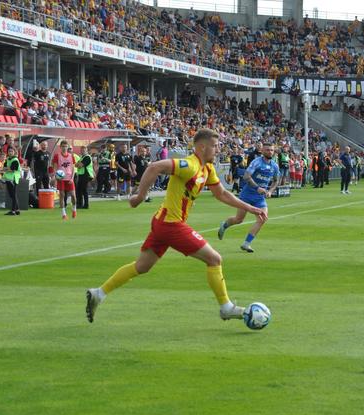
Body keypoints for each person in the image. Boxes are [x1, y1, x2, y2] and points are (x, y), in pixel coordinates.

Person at [85, 129, 267, 323]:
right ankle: (226, 307)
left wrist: (250, 208)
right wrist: (140, 195)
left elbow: (222, 194)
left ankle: (99, 293)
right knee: (214, 259)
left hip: (162, 223)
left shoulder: (207, 169)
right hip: (171, 225)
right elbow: (155, 167)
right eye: (214, 146)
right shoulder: (189, 165)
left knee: (142, 266)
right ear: (202, 147)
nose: (218, 149)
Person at [217, 143, 279, 252]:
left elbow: (276, 180)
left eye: (272, 150)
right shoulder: (257, 162)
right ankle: (225, 224)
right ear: (262, 151)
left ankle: (246, 244)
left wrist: (270, 191)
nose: (270, 152)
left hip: (259, 198)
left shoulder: (274, 165)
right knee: (239, 219)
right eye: (267, 150)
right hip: (247, 195)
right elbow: (246, 176)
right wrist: (257, 188)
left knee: (263, 218)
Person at [52, 140, 77, 219]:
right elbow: (55, 168)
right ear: (60, 147)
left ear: (67, 147)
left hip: (69, 178)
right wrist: (56, 177)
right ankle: (64, 214)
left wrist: (72, 178)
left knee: (73, 196)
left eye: (66, 146)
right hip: (61, 178)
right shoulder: (57, 156)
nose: (64, 148)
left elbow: (73, 168)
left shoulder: (71, 156)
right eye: (63, 146)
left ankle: (74, 209)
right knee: (62, 195)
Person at [2, 146, 21, 216]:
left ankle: (13, 210)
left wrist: (6, 169)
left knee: (13, 195)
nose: (10, 152)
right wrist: (7, 168)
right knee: (12, 195)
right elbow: (4, 167)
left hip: (13, 178)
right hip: (8, 178)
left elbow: (13, 169)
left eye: (11, 151)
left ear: (14, 152)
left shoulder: (15, 159)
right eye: (9, 151)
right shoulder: (8, 159)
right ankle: (17, 209)